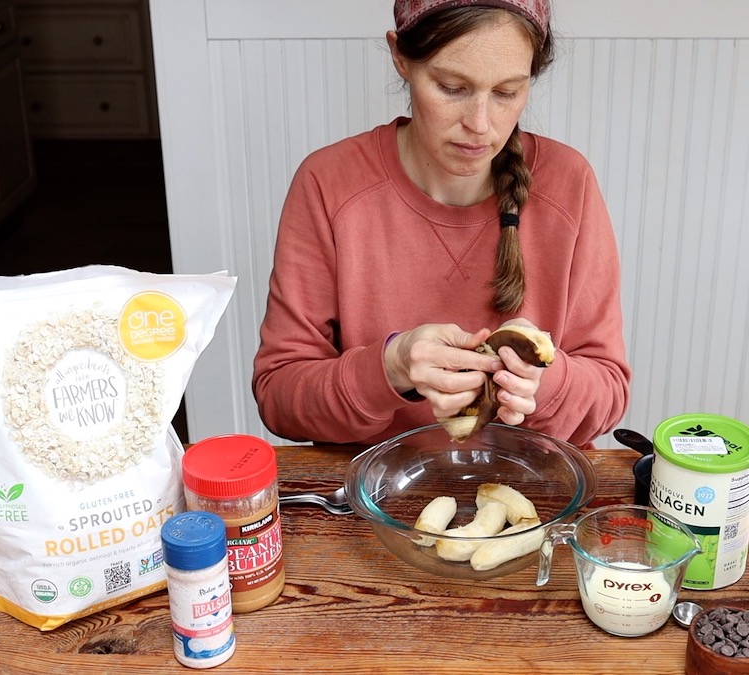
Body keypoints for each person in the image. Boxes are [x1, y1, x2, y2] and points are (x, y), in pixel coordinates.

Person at [252, 0, 630, 448]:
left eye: (508, 92)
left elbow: (610, 392)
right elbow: (279, 396)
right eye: (452, 87)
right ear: (401, 57)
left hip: (538, 487)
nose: (480, 125)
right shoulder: (329, 184)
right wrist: (389, 367)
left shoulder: (570, 182)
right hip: (375, 496)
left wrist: (541, 384)